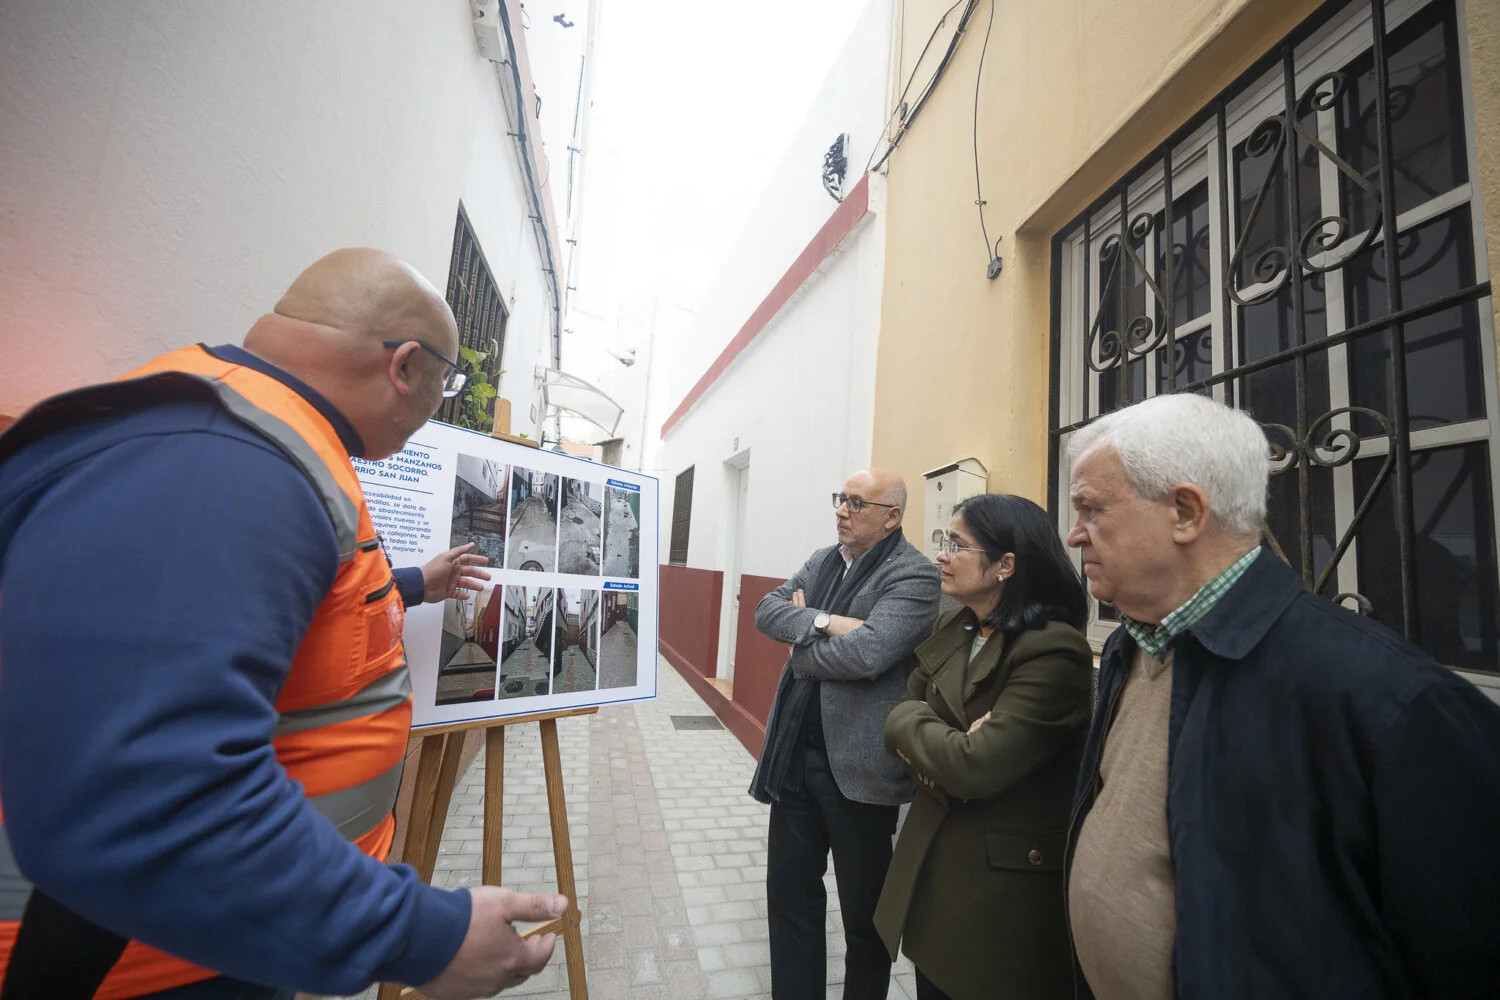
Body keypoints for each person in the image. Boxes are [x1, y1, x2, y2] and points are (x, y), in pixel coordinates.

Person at [0, 249, 564, 1000]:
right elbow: (145, 791)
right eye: (448, 380)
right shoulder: (218, 462)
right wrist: (421, 936)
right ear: (404, 366)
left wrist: (410, 585)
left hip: (212, 940)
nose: (442, 401)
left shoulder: (257, 441)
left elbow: (271, 619)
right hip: (152, 966)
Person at [1062, 392, 1500, 1000]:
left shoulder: (1389, 698)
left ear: (1186, 512)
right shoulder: (1130, 645)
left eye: (1091, 508)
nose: (1073, 533)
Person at [876, 494, 1092, 1000]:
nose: (942, 555)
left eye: (957, 544)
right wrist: (933, 734)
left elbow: (975, 768)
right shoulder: (959, 624)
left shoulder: (1052, 648)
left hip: (998, 895)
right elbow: (900, 712)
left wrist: (925, 733)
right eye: (943, 541)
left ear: (1005, 565)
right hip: (936, 867)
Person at [750, 468, 941, 1000]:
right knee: (790, 899)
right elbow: (768, 610)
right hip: (795, 759)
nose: (842, 511)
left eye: (857, 503)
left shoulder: (914, 576)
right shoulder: (824, 558)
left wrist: (800, 637)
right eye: (841, 499)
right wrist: (823, 623)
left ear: (892, 517)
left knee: (865, 918)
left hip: (861, 774)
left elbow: (870, 653)